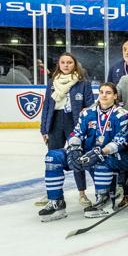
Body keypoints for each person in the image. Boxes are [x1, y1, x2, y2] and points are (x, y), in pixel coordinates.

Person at [64, 82, 128, 218]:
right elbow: (76, 133)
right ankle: (56, 202)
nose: (104, 95)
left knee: (101, 161)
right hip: (88, 153)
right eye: (101, 92)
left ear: (115, 96)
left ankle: (104, 201)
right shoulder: (87, 113)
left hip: (113, 157)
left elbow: (120, 141)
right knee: (53, 157)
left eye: (108, 93)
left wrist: (100, 153)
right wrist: (74, 149)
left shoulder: (122, 115)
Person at [39, 53, 95, 207]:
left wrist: (86, 127)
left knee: (76, 157)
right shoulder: (52, 82)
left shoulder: (83, 83)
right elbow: (46, 107)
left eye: (69, 62)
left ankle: (82, 193)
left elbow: (90, 106)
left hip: (73, 122)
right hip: (55, 123)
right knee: (53, 158)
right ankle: (53, 192)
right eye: (63, 62)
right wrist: (44, 129)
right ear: (59, 64)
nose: (66, 65)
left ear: (75, 64)